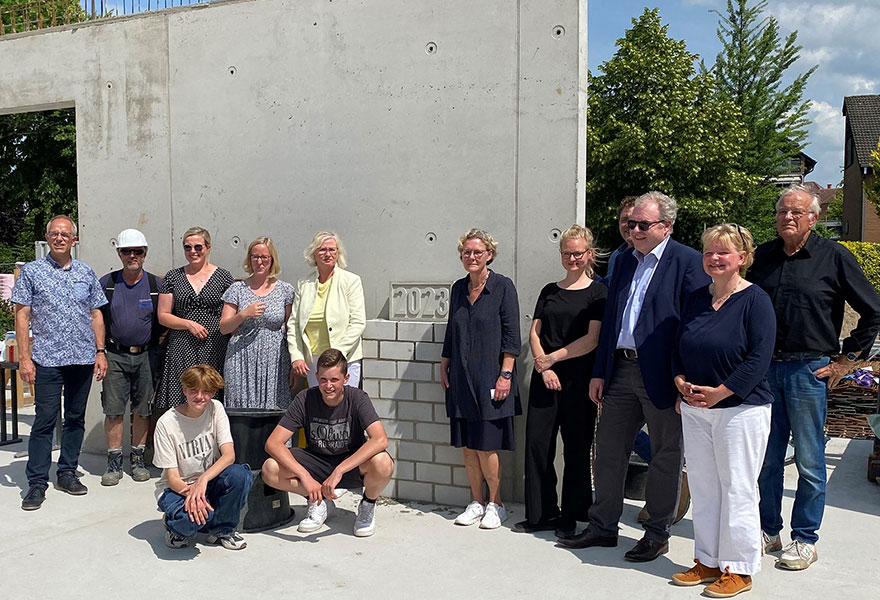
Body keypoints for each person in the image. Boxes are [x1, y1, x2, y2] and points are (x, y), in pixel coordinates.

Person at [558, 191, 709, 561]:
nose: (634, 230)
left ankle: (657, 533)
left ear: (666, 226)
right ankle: (603, 526)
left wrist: (682, 378)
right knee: (608, 451)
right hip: (621, 370)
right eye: (631, 223)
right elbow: (611, 321)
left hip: (663, 375)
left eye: (643, 224)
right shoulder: (624, 260)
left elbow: (695, 326)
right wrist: (600, 371)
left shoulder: (688, 262)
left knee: (665, 456)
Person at [749, 185, 880, 570]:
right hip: (766, 370)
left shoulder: (834, 256)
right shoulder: (763, 258)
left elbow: (873, 311)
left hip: (810, 371)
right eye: (782, 211)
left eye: (796, 212)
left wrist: (846, 361)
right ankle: (768, 530)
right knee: (768, 459)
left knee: (809, 460)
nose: (788, 217)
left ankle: (804, 538)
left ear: (814, 218)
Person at [671, 224, 775, 598]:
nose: (714, 258)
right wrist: (680, 380)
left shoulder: (756, 300)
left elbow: (759, 358)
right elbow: (678, 346)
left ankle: (740, 568)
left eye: (724, 252)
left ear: (742, 259)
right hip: (697, 408)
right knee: (703, 486)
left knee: (738, 488)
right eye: (709, 252)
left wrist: (723, 392)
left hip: (740, 410)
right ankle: (708, 560)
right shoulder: (697, 299)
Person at [513, 225, 606, 537]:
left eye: (578, 253)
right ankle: (541, 514)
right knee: (538, 445)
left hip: (578, 381)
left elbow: (591, 339)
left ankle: (573, 515)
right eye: (567, 253)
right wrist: (543, 364)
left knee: (577, 449)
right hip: (545, 377)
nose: (572, 258)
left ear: (588, 254)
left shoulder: (598, 292)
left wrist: (554, 359)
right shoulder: (549, 290)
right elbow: (535, 332)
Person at [13, 215, 108, 510]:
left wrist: (101, 351)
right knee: (43, 421)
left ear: (74, 240)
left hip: (81, 360)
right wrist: (25, 358)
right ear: (47, 237)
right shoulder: (32, 272)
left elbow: (95, 314)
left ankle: (67, 472)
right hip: (47, 361)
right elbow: (22, 315)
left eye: (65, 234)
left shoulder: (85, 272)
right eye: (54, 233)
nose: (59, 238)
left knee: (75, 419)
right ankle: (37, 483)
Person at [262, 349, 393, 537]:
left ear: (346, 378)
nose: (328, 386)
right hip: (316, 460)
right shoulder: (305, 398)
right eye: (323, 379)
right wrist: (305, 476)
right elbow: (273, 443)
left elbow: (380, 439)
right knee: (270, 468)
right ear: (316, 377)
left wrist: (340, 470)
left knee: (383, 462)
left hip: (349, 462)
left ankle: (368, 504)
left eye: (334, 380)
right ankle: (318, 501)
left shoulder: (357, 398)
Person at [440, 229, 521, 530]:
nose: (471, 257)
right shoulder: (458, 288)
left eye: (477, 252)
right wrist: (445, 361)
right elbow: (452, 329)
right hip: (461, 377)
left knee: (487, 445)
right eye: (466, 252)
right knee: (468, 446)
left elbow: (512, 335)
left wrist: (506, 375)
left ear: (489, 254)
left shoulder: (502, 287)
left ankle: (495, 503)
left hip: (491, 376)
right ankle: (476, 501)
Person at [154, 364, 252, 550]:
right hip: (178, 489)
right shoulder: (166, 423)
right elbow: (173, 478)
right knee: (190, 522)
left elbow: (229, 455)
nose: (200, 397)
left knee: (239, 474)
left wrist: (203, 480)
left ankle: (223, 529)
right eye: (193, 391)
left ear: (214, 392)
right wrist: (194, 495)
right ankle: (173, 525)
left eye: (206, 391)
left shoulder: (216, 409)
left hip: (208, 482)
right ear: (184, 390)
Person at [98, 228, 164, 486]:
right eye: (127, 251)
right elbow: (97, 320)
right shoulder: (108, 284)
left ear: (145, 254)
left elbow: (166, 317)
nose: (132, 255)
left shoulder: (155, 285)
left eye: (138, 251)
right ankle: (114, 463)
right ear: (119, 253)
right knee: (113, 410)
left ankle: (137, 460)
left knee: (143, 409)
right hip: (115, 355)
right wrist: (100, 352)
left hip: (147, 355)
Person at [155, 227, 234, 410]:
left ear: (208, 247)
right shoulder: (173, 277)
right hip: (182, 345)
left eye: (198, 247)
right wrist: (188, 324)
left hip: (214, 345)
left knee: (211, 392)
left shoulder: (223, 277)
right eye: (187, 247)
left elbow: (231, 312)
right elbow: (163, 315)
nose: (193, 252)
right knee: (182, 394)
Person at [220, 237, 295, 409]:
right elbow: (224, 327)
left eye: (264, 257)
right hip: (241, 358)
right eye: (255, 257)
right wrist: (244, 314)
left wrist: (293, 363)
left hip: (275, 359)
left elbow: (291, 329)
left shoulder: (286, 290)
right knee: (242, 408)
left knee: (275, 408)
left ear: (272, 260)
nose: (259, 262)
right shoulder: (237, 289)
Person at [287, 231, 366, 388]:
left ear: (338, 254)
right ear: (313, 254)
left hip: (344, 358)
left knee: (344, 406)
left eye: (332, 250)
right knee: (319, 408)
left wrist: (337, 354)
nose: (327, 254)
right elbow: (294, 324)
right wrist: (296, 356)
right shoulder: (304, 283)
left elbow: (358, 322)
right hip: (313, 361)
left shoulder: (351, 281)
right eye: (322, 249)